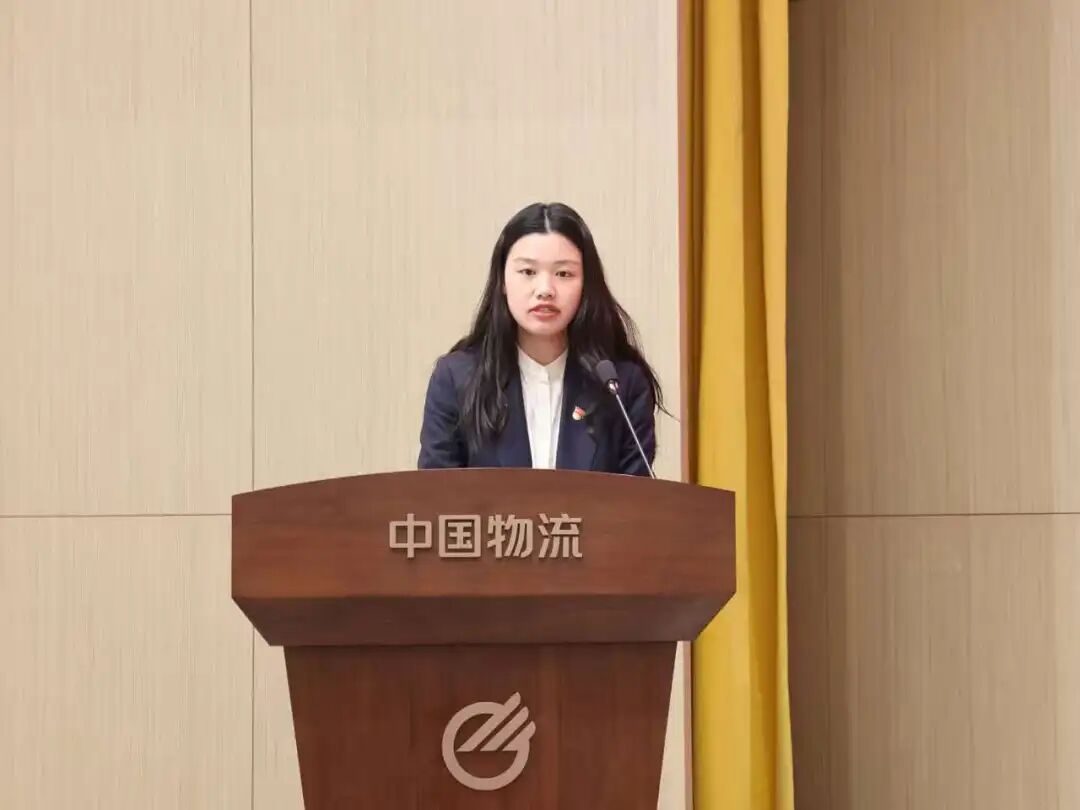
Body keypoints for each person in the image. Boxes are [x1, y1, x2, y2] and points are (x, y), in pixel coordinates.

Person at [417, 201, 664, 476]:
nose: (545, 290)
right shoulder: (456, 379)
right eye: (528, 272)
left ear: (586, 284)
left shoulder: (621, 386)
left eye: (563, 274)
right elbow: (436, 496)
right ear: (502, 281)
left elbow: (636, 498)